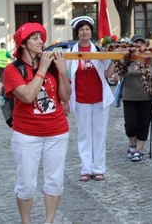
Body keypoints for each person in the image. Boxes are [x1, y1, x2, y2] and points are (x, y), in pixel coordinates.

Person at [3, 22, 71, 224]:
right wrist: (42, 69)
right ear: (23, 44)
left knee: (55, 182)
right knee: (26, 185)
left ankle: (48, 222)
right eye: (34, 38)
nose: (40, 41)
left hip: (57, 132)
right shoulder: (12, 70)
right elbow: (27, 96)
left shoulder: (50, 66)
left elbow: (65, 96)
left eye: (41, 37)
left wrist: (62, 72)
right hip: (27, 134)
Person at [67, 16, 116, 181]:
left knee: (99, 133)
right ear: (77, 33)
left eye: (87, 29)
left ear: (91, 32)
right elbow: (66, 76)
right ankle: (86, 168)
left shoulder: (99, 50)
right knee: (84, 134)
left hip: (100, 99)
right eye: (81, 30)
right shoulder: (70, 53)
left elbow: (108, 74)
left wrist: (115, 58)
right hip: (81, 99)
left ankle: (99, 168)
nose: (84, 32)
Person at [113, 34, 152, 162]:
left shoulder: (150, 58)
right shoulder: (127, 59)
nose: (139, 45)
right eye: (137, 43)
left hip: (145, 96)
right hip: (129, 96)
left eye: (142, 43)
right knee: (130, 125)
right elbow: (118, 73)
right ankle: (132, 144)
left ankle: (139, 150)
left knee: (144, 124)